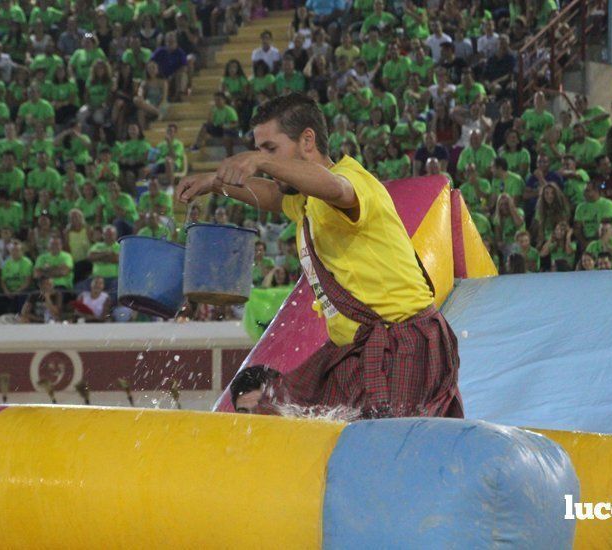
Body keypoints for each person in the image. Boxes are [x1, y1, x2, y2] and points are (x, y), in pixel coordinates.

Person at [176, 93, 463, 418]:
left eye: (270, 148)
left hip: (403, 347)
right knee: (278, 409)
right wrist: (215, 183)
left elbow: (336, 189)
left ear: (307, 140)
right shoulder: (303, 198)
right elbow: (271, 195)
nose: (263, 159)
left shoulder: (352, 181)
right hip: (352, 350)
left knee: (388, 452)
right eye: (260, 150)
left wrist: (262, 162)